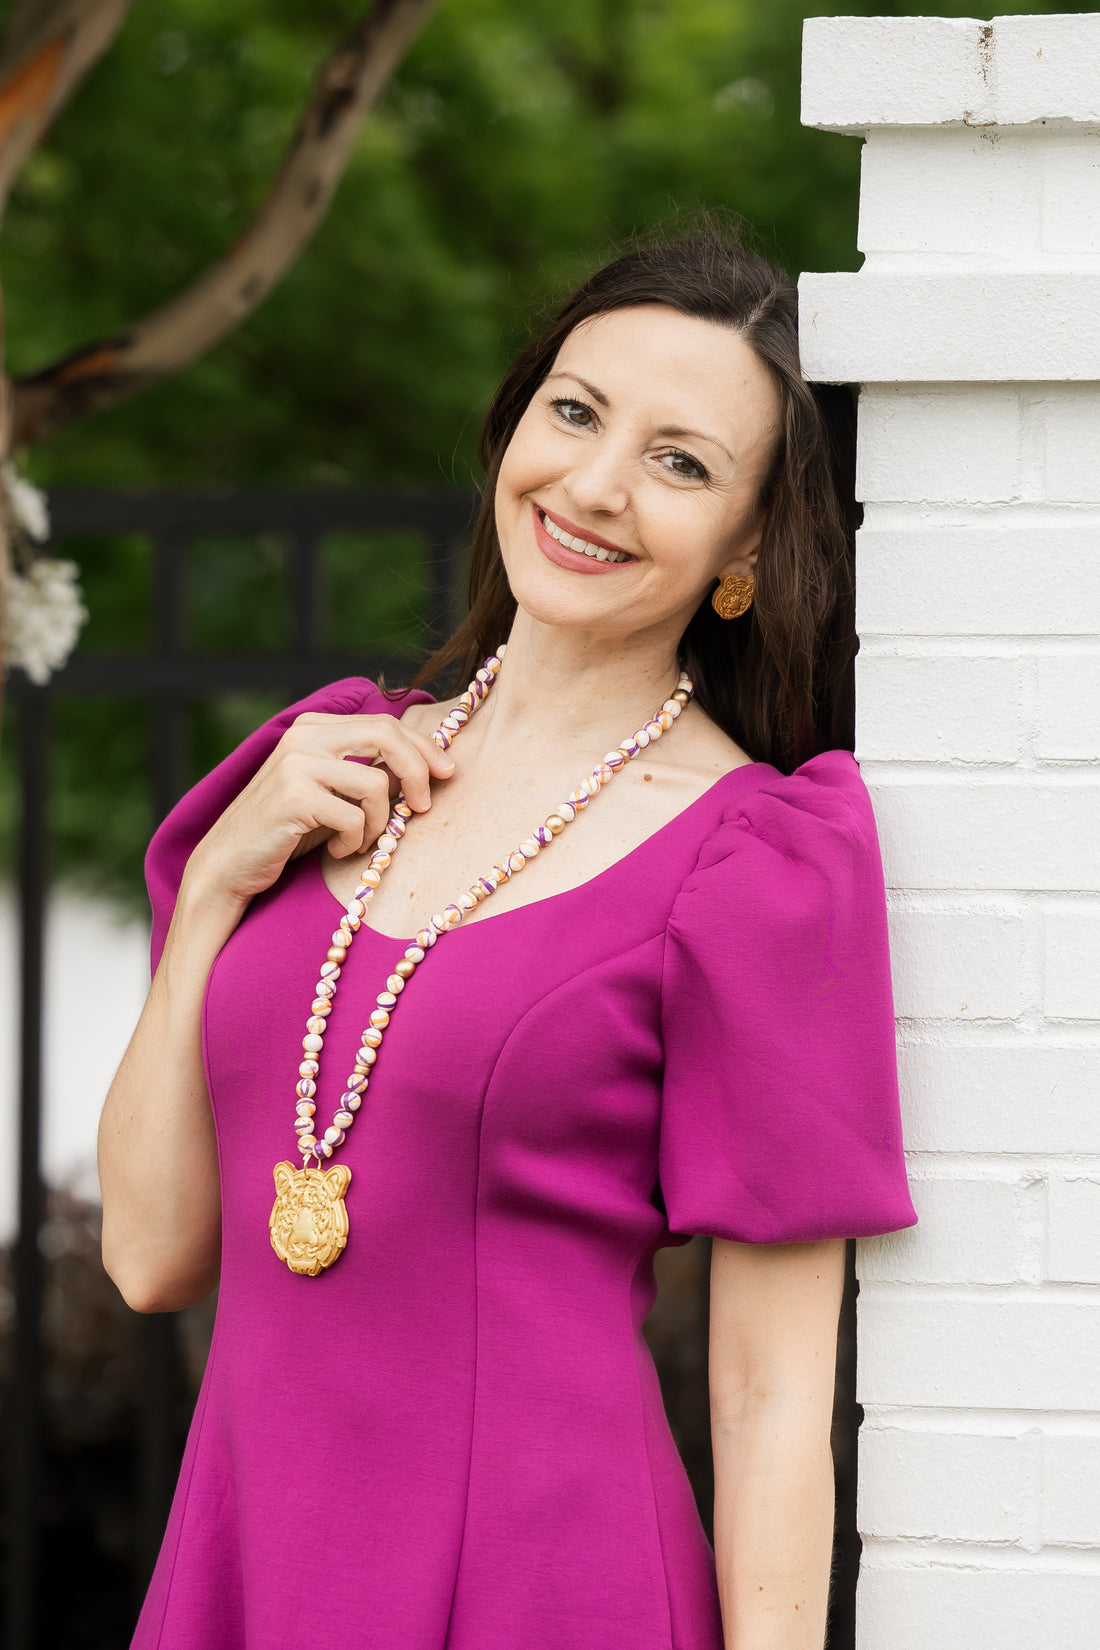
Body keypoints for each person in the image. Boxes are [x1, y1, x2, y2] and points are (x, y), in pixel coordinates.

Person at [98, 223, 916, 1650]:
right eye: (576, 411)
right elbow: (152, 1254)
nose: (593, 485)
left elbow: (771, 1390)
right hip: (251, 1568)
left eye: (681, 461)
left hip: (551, 1583)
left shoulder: (757, 861)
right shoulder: (312, 776)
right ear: (516, 422)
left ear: (744, 552)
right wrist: (220, 878)